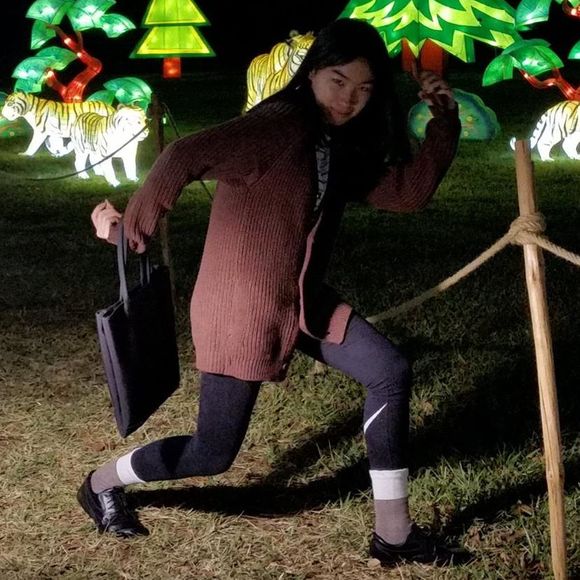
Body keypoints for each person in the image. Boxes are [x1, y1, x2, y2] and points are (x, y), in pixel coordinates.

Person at [80, 18, 463, 567]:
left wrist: (444, 121)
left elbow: (407, 194)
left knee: (388, 371)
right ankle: (100, 483)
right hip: (242, 308)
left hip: (301, 301)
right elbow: (183, 155)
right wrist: (129, 235)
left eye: (364, 88)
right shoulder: (275, 126)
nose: (350, 99)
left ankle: (394, 534)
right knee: (212, 452)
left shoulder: (334, 141)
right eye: (338, 81)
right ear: (312, 74)